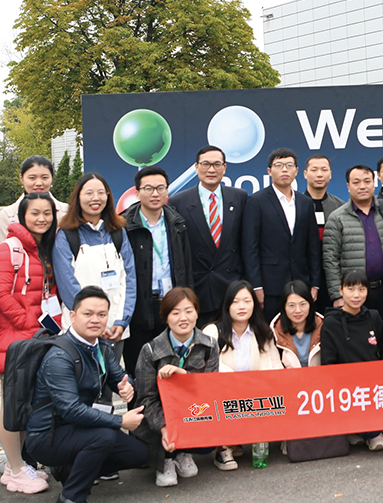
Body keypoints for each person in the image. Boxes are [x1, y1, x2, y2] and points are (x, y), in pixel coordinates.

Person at [25, 286, 148, 503]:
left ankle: (70, 468)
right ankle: (70, 499)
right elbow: (71, 410)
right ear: (73, 316)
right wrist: (120, 421)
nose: (95, 320)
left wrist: (127, 385)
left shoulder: (100, 346)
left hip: (79, 427)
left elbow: (119, 376)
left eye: (102, 314)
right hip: (47, 435)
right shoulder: (59, 357)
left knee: (138, 454)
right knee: (104, 436)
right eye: (88, 314)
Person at [0, 193, 59, 494]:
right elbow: (1, 293)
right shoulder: (10, 248)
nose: (42, 219)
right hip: (14, 339)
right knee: (10, 405)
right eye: (35, 213)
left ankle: (16, 467)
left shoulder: (44, 250)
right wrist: (27, 321)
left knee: (23, 403)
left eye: (47, 213)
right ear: (22, 215)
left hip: (35, 338)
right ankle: (15, 468)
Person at [134, 287, 219, 486]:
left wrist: (185, 376)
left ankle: (183, 453)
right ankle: (165, 459)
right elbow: (146, 398)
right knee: (143, 444)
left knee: (210, 440)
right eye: (175, 312)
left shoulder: (209, 345)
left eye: (189, 311)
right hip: (160, 415)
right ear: (166, 318)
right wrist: (164, 427)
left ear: (197, 313)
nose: (183, 318)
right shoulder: (150, 350)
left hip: (193, 411)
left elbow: (210, 389)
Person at [53, 173, 136, 365]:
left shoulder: (118, 233)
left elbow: (129, 280)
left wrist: (122, 321)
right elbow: (68, 285)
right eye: (89, 193)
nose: (95, 198)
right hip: (80, 331)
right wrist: (94, 322)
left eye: (101, 192)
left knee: (111, 380)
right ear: (78, 197)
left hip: (115, 330)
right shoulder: (67, 236)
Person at [203, 280, 283, 470]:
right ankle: (223, 448)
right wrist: (239, 382)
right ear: (227, 305)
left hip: (255, 393)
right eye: (236, 301)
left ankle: (246, 440)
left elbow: (275, 366)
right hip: (225, 393)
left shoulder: (263, 332)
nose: (242, 306)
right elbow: (208, 368)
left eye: (247, 301)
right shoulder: (212, 332)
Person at [122, 166, 192, 381]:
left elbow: (186, 266)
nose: (155, 193)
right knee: (139, 368)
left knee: (171, 367)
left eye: (160, 188)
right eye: (149, 188)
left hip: (171, 301)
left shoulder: (177, 222)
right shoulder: (124, 225)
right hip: (139, 305)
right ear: (137, 192)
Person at [169, 145, 248, 327]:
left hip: (232, 287)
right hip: (200, 289)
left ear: (224, 168)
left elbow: (246, 243)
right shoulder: (179, 202)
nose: (211, 169)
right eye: (205, 164)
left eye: (217, 164)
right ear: (196, 167)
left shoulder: (239, 197)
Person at [242, 148, 321, 321]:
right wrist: (256, 286)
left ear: (297, 171)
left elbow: (313, 246)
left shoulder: (305, 202)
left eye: (289, 165)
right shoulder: (256, 201)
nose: (284, 169)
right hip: (270, 286)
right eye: (279, 165)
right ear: (269, 171)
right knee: (271, 331)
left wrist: (315, 283)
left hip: (301, 283)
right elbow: (250, 248)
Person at [320, 269, 383, 451]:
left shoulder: (373, 316)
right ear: (341, 290)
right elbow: (328, 362)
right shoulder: (331, 323)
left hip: (372, 384)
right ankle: (367, 432)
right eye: (350, 289)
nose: (356, 295)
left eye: (361, 289)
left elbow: (382, 351)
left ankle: (368, 432)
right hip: (345, 387)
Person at [323, 165, 383, 321]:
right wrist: (337, 295)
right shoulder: (337, 218)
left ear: (374, 183)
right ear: (348, 186)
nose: (362, 186)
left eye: (367, 181)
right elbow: (330, 260)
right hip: (353, 294)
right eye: (356, 182)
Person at [303, 154, 345, 311]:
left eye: (324, 170)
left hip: (334, 278)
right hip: (305, 278)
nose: (319, 174)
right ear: (305, 174)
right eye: (314, 170)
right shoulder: (296, 205)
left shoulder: (340, 207)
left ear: (331, 174)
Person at [0, 155, 68, 242]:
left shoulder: (66, 212)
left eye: (45, 178)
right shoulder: (7, 215)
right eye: (32, 178)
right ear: (21, 178)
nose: (39, 183)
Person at [271, 279, 324, 369]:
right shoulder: (274, 331)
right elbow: (275, 365)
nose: (298, 310)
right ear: (284, 307)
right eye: (291, 305)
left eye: (303, 304)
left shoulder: (323, 326)